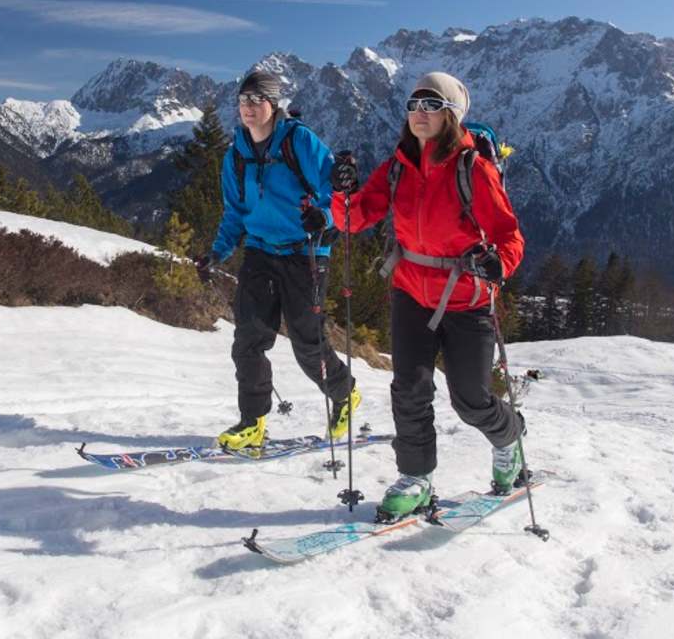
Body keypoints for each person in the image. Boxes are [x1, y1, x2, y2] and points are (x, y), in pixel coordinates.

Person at [330, 71, 526, 520]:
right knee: (409, 390)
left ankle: (509, 438)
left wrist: (502, 263)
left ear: (451, 115)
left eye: (431, 104)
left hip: (465, 298)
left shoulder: (472, 169)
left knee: (471, 399)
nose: (419, 112)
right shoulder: (397, 166)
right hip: (410, 293)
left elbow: (507, 233)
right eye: (414, 103)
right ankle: (416, 478)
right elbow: (352, 220)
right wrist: (340, 192)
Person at [196, 69, 360, 452]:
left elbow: (336, 192)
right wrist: (216, 252)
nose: (248, 109)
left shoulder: (298, 141)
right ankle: (252, 423)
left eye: (257, 100)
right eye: (242, 101)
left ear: (273, 105)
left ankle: (344, 393)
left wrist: (325, 218)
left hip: (305, 251)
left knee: (306, 342)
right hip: (259, 251)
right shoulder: (235, 155)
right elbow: (234, 212)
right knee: (248, 340)